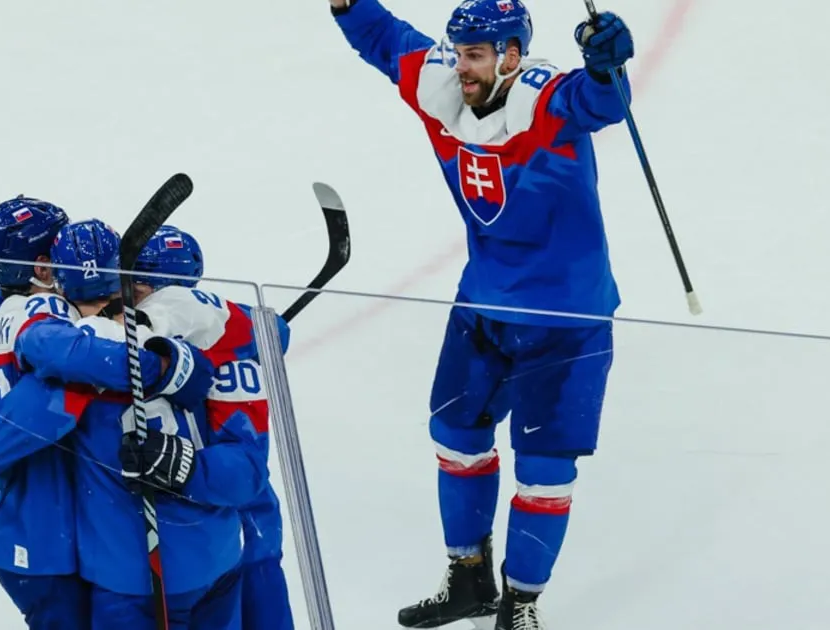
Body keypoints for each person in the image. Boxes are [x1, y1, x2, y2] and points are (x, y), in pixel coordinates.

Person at [328, 1, 633, 628]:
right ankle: (468, 578)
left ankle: (520, 605)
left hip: (567, 315)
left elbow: (598, 103)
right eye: (458, 53)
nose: (462, 67)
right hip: (484, 300)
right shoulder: (441, 88)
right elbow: (384, 40)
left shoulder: (546, 103)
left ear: (512, 56)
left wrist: (608, 67)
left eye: (476, 56)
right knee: (456, 438)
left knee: (545, 471)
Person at [0, 197, 215, 629]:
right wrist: (167, 368)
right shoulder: (46, 314)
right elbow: (68, 364)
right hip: (42, 539)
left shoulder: (19, 303)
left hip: (39, 531)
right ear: (45, 269)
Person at [51, 218, 270, 629]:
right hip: (192, 562)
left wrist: (186, 465)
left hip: (165, 572)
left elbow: (249, 471)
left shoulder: (229, 361)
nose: (131, 297)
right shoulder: (106, 342)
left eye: (142, 288)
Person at [134, 225, 295, 630]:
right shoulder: (215, 326)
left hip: (244, 529)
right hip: (218, 531)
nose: (129, 288)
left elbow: (247, 464)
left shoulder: (195, 329)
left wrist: (188, 467)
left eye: (138, 279)